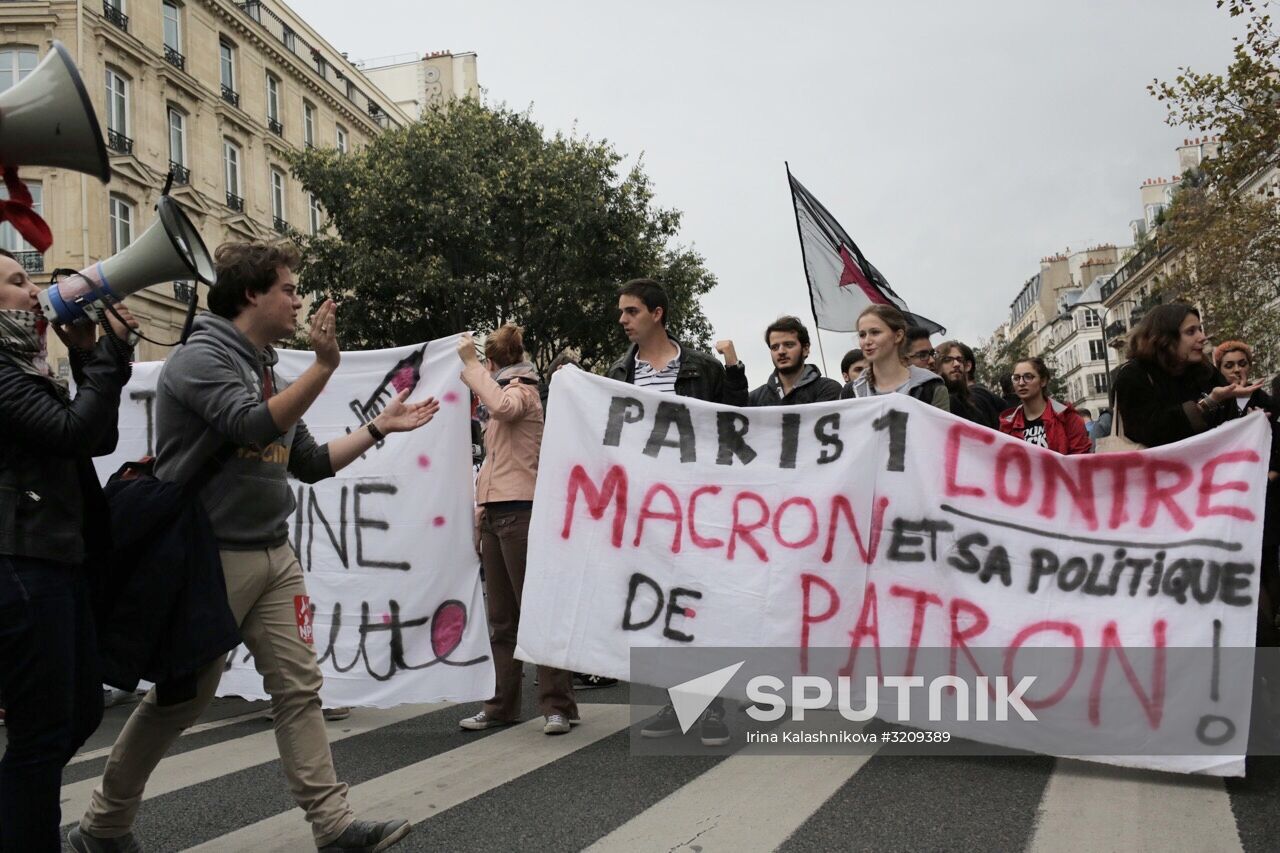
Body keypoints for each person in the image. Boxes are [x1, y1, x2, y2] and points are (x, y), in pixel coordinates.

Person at [71, 242, 438, 853]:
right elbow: (248, 423)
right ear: (251, 294)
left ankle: (333, 827)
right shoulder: (200, 357)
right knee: (180, 701)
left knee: (299, 689)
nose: (298, 301)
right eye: (288, 289)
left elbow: (310, 463)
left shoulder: (268, 369)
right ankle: (102, 826)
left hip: (273, 555)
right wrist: (324, 368)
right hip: (208, 559)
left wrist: (379, 427)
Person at [0, 249, 138, 851]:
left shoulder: (27, 366)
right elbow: (72, 431)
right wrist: (103, 357)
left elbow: (96, 437)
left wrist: (90, 355)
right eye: (16, 281)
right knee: (43, 731)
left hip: (54, 555)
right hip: (22, 560)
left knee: (79, 712)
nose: (34, 290)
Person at [608, 278, 742, 746]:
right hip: (647, 512)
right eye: (622, 312)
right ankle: (677, 701)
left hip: (699, 504)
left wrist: (734, 370)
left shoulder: (702, 368)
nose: (623, 320)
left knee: (701, 605)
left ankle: (714, 706)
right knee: (660, 607)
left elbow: (735, 423)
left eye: (631, 311)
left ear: (657, 313)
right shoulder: (619, 372)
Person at [456, 324, 580, 735]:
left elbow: (502, 407)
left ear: (491, 363)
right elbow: (494, 460)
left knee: (536, 613)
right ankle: (502, 706)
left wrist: (470, 366)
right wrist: (480, 510)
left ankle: (557, 706)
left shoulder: (522, 392)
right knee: (502, 620)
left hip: (522, 512)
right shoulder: (504, 394)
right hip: (497, 513)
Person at [1109, 304, 1258, 449]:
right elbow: (1150, 432)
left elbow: (1228, 420)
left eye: (1200, 329)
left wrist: (1249, 418)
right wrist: (1206, 404)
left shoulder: (1205, 370)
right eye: (1191, 332)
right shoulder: (1134, 375)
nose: (1202, 337)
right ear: (1165, 339)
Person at [842, 305, 949, 409]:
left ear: (898, 336)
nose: (867, 341)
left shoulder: (931, 387)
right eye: (862, 335)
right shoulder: (852, 391)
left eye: (875, 332)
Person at [998, 358, 1091, 454]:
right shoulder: (1008, 425)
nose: (1021, 383)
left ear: (1043, 381)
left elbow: (1080, 458)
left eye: (1028, 377)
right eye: (1016, 378)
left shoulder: (1067, 417)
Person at [747, 315, 842, 406]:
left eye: (789, 345)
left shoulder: (828, 389)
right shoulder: (754, 399)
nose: (781, 351)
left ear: (805, 349)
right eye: (775, 347)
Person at [936, 340, 998, 428]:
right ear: (937, 366)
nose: (957, 364)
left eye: (959, 360)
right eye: (948, 360)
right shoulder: (933, 404)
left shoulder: (975, 404)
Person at [1214, 341, 1274, 415]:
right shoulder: (1215, 399)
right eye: (1229, 366)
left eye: (1242, 364)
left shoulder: (1264, 399)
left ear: (1250, 367)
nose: (1237, 369)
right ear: (1219, 371)